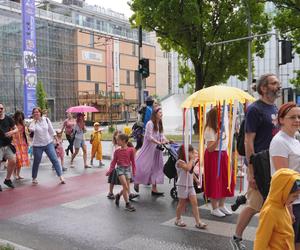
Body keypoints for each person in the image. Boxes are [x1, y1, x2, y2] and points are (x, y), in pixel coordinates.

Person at [231, 73, 281, 250]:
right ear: (264, 88)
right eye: (274, 83)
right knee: (254, 205)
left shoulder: (274, 108)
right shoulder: (255, 109)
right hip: (259, 165)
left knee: (268, 203)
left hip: (272, 162)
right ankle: (236, 237)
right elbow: (248, 141)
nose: (278, 85)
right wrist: (251, 172)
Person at [269, 102, 300, 250]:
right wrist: (288, 208)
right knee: (288, 244)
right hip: (291, 202)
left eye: (299, 116)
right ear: (281, 120)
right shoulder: (279, 141)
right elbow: (284, 179)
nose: (297, 120)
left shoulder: (295, 138)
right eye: (292, 117)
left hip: (298, 198)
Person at [254, 168, 300, 250]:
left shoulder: (282, 205)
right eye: (294, 196)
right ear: (282, 191)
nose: (297, 198)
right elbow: (260, 241)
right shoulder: (269, 212)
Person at [204, 107, 234, 217]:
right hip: (214, 156)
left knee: (225, 179)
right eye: (220, 113)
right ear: (214, 116)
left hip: (223, 154)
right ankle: (214, 207)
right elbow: (210, 148)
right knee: (215, 180)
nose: (222, 115)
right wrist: (218, 139)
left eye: (222, 113)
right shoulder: (209, 129)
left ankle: (221, 205)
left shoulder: (221, 126)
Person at [134, 106, 168, 195]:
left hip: (156, 150)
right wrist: (158, 142)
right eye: (160, 112)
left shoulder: (159, 123)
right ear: (155, 114)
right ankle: (136, 181)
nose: (162, 114)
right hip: (148, 149)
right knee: (143, 165)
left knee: (156, 167)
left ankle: (154, 188)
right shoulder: (150, 123)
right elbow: (149, 137)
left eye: (161, 112)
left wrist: (166, 140)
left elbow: (162, 135)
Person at [29, 107, 65, 185]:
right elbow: (32, 130)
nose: (36, 113)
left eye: (37, 112)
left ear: (40, 113)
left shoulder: (46, 120)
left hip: (48, 143)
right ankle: (34, 178)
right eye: (34, 112)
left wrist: (57, 140)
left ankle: (61, 176)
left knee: (54, 159)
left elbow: (51, 130)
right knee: (36, 162)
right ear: (33, 114)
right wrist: (35, 121)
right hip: (37, 145)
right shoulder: (33, 123)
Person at [175, 144, 207, 229]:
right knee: (181, 204)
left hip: (190, 185)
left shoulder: (190, 162)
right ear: (184, 152)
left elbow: (191, 172)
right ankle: (178, 219)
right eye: (190, 151)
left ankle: (198, 222)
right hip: (182, 185)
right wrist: (192, 160)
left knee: (195, 203)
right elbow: (188, 168)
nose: (192, 153)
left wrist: (196, 180)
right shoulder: (180, 162)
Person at [106, 133, 136, 212]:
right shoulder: (117, 151)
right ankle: (127, 204)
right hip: (120, 169)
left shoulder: (130, 150)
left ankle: (118, 195)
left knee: (125, 188)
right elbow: (113, 162)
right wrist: (110, 170)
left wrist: (134, 171)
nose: (117, 141)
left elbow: (133, 162)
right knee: (125, 186)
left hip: (128, 169)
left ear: (123, 141)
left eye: (118, 140)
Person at [0, 103, 18, 190]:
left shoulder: (8, 118)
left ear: (3, 109)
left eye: (1, 108)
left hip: (7, 144)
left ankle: (7, 180)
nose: (0, 110)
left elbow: (16, 128)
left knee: (13, 161)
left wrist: (12, 132)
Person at [12, 111, 30, 180]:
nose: (20, 117)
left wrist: (27, 142)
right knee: (16, 159)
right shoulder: (13, 124)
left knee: (21, 160)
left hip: (22, 143)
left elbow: (26, 134)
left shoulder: (23, 124)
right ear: (16, 116)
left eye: (21, 116)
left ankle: (18, 174)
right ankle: (14, 174)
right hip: (15, 143)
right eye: (18, 116)